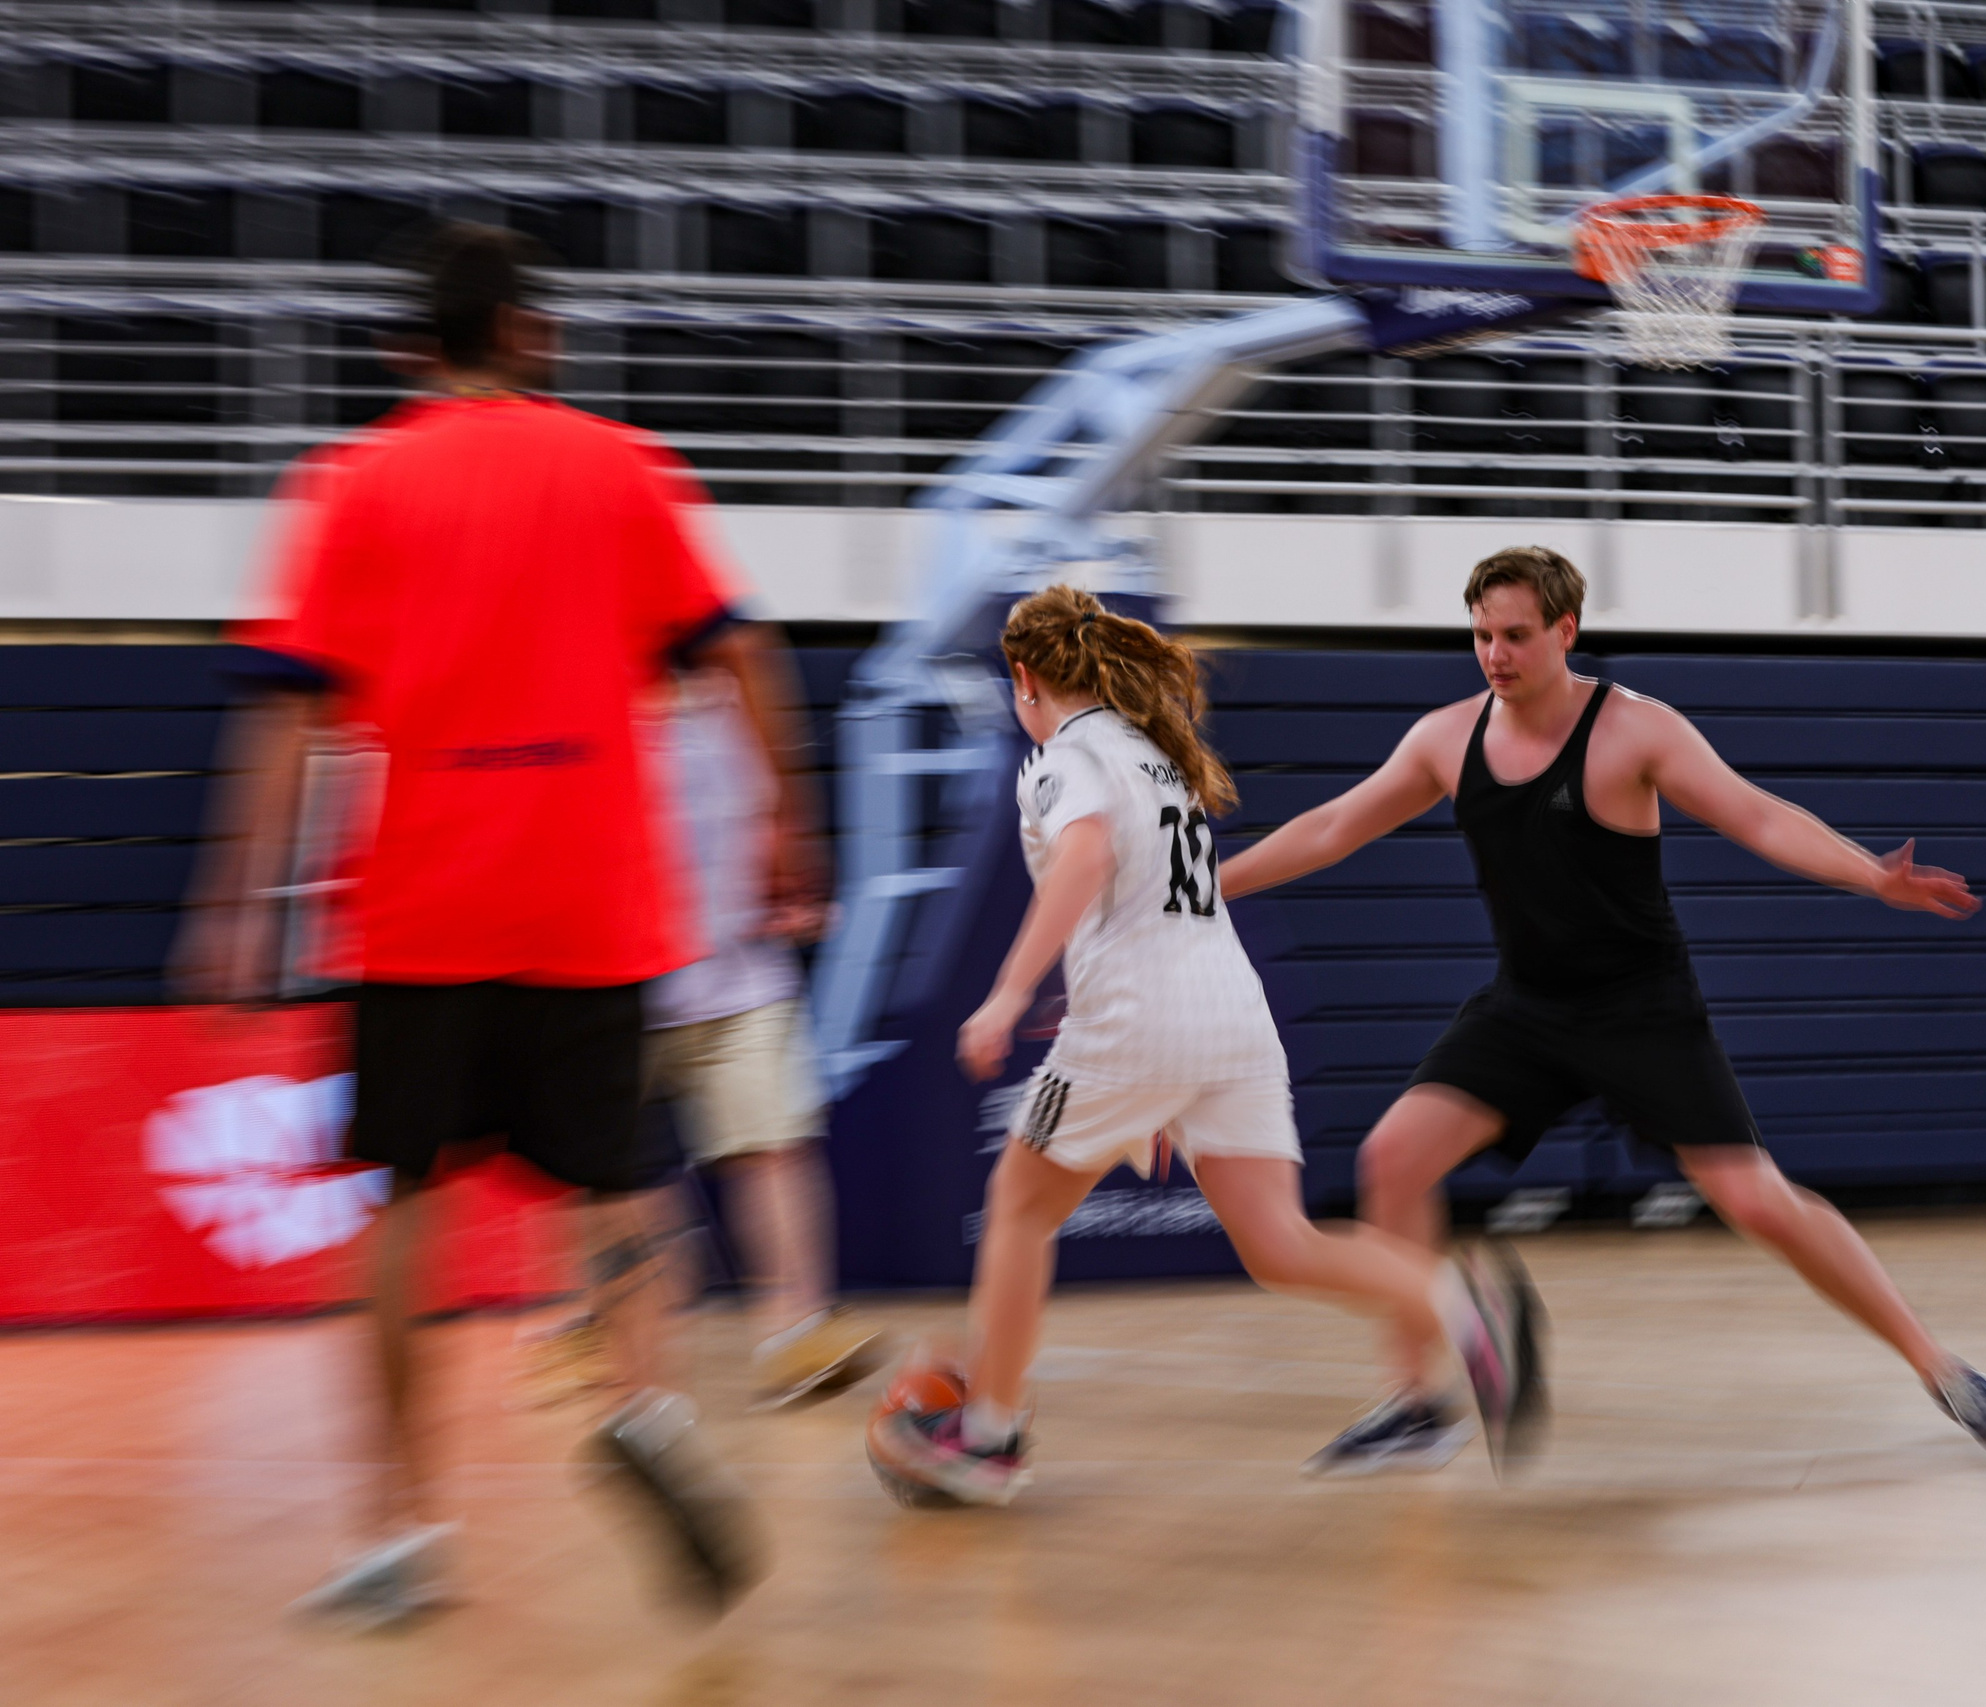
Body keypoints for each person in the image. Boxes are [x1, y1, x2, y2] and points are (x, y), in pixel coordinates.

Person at [180, 223, 821, 1624]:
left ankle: (401, 1530)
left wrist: (238, 901)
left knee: (406, 1197)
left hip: (420, 902)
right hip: (595, 894)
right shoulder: (622, 466)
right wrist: (787, 819)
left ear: (410, 348)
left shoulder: (351, 482)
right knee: (621, 1182)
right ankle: (643, 1397)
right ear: (532, 332)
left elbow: (291, 705)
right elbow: (739, 649)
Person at [1217, 546, 1986, 1474]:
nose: (1494, 653)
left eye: (1515, 635)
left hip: (1641, 1009)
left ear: (1566, 630)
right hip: (1526, 1007)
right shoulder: (1445, 738)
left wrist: (1869, 875)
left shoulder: (1635, 729)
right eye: (1482, 634)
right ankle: (1418, 1405)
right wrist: (1210, 883)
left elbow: (1756, 814)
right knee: (1392, 1160)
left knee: (1755, 1200)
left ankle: (1949, 1373)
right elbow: (1333, 825)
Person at [866, 584, 1535, 1507]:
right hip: (1229, 1017)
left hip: (1143, 1022)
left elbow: (1089, 856)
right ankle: (1465, 1310)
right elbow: (1137, 899)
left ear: (1024, 679)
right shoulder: (1153, 756)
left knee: (1018, 1206)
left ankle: (988, 1434)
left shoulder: (1063, 757)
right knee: (1280, 1241)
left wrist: (1010, 990)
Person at [516, 664, 884, 1413]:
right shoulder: (583, 705)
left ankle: (796, 1329)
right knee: (611, 1184)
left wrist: (795, 887)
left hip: (742, 978)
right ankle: (599, 1327)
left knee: (775, 1147)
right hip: (618, 992)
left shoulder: (739, 702)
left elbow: (776, 823)